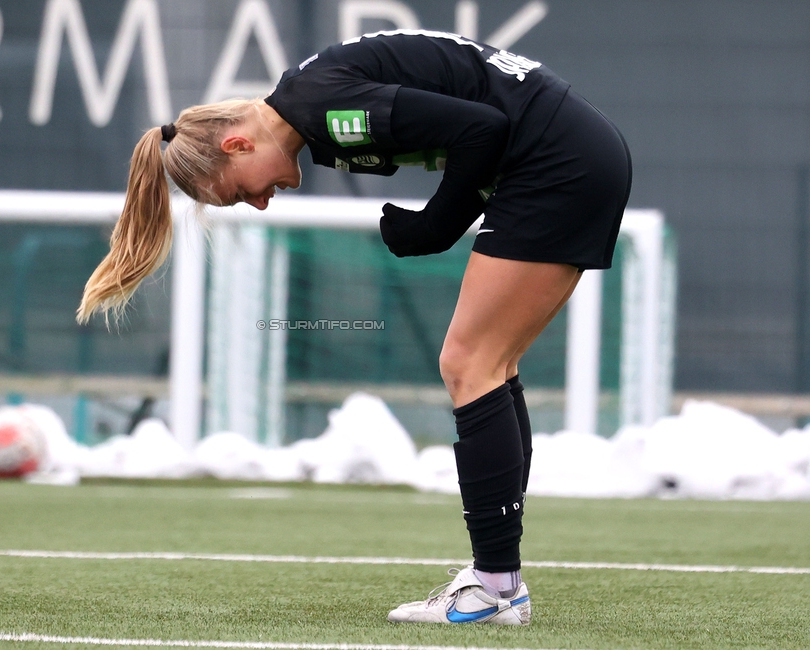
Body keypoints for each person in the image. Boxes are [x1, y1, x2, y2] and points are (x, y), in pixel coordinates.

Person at [77, 29, 631, 626]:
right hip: (568, 154)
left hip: (556, 161)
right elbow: (478, 117)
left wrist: (436, 228)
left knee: (468, 363)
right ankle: (499, 581)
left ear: (237, 144)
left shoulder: (325, 108)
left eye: (242, 192)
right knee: (489, 365)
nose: (261, 204)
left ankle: (495, 589)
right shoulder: (313, 107)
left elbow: (483, 130)